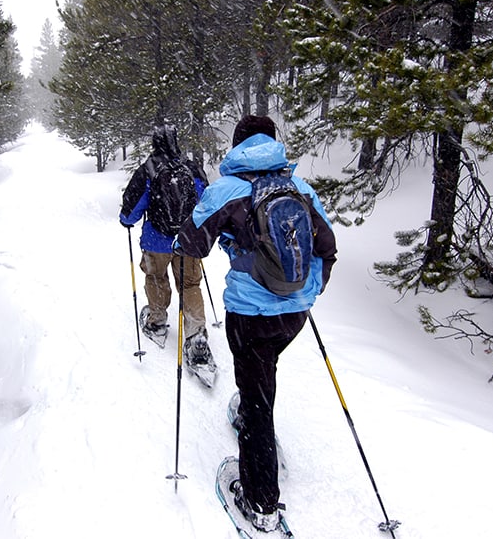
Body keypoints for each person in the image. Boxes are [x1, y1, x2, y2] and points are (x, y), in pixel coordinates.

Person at [176, 115, 337, 533]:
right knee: (265, 371)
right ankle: (254, 411)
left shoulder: (228, 189)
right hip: (296, 314)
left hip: (251, 314)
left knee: (256, 397)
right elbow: (327, 246)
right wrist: (308, 290)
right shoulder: (299, 187)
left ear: (238, 145)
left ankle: (261, 502)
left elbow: (191, 243)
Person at [119, 124, 214, 369]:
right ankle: (196, 335)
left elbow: (131, 211)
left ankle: (157, 319)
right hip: (187, 241)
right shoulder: (191, 168)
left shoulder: (148, 170)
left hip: (156, 241)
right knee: (190, 284)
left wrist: (126, 220)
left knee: (156, 277)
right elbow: (207, 202)